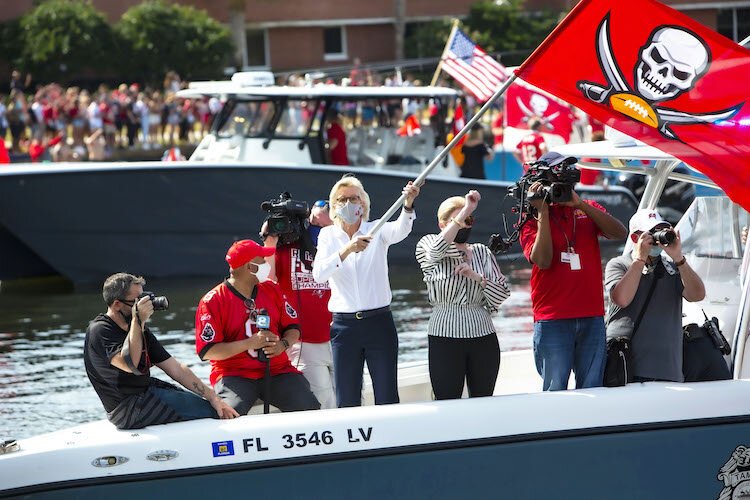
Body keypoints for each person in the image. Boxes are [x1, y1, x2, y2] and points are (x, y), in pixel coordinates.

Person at [520, 152, 627, 391]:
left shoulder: (587, 208)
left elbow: (620, 233)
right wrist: (543, 213)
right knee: (555, 389)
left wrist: (579, 205)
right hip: (553, 318)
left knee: (593, 388)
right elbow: (543, 260)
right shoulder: (529, 218)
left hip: (592, 315)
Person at [313, 175, 420, 407]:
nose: (349, 204)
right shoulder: (327, 236)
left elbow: (400, 230)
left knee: (386, 395)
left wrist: (408, 204)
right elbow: (319, 273)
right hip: (344, 327)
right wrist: (347, 250)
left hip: (378, 323)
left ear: (363, 203)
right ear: (333, 206)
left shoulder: (377, 229)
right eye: (342, 200)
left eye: (354, 198)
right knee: (347, 397)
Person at [84, 273, 238, 430]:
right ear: (117, 304)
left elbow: (175, 368)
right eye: (137, 301)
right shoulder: (100, 330)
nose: (144, 305)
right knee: (210, 413)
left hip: (144, 394)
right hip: (128, 409)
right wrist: (138, 320)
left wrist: (212, 396)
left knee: (211, 405)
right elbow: (129, 363)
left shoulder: (139, 329)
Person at [195, 239, 320, 414]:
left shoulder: (271, 289)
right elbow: (208, 351)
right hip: (235, 374)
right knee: (230, 412)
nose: (266, 264)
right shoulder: (213, 301)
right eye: (262, 260)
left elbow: (293, 328)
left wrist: (282, 345)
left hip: (277, 370)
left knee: (309, 406)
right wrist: (249, 343)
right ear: (250, 267)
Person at [416, 190, 510, 399]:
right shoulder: (428, 243)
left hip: (483, 334)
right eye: (458, 220)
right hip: (445, 334)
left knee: (484, 399)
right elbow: (435, 252)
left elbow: (502, 293)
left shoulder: (482, 252)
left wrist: (477, 277)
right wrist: (466, 208)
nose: (464, 224)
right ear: (443, 224)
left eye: (468, 220)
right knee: (447, 400)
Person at [606, 210, 706, 382]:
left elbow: (697, 295)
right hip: (625, 368)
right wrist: (639, 260)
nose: (655, 240)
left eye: (660, 231)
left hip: (668, 370)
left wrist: (679, 258)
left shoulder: (673, 267)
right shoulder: (619, 265)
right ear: (635, 238)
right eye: (650, 234)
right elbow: (622, 299)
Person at [262, 199, 336, 409]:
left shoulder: (338, 241)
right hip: (305, 341)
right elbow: (266, 280)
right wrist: (269, 240)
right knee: (324, 403)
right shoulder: (284, 247)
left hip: (342, 336)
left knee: (352, 398)